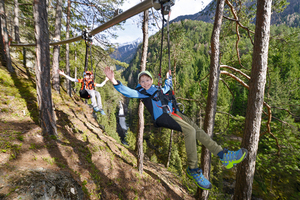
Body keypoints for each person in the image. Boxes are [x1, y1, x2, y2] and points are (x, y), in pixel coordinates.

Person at [104, 67, 248, 190]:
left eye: (147, 80)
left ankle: (223, 155)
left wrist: (169, 78)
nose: (145, 83)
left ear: (152, 80)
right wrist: (113, 81)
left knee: (197, 130)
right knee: (190, 131)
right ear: (140, 84)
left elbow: (168, 86)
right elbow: (128, 92)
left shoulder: (158, 88)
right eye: (142, 81)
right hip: (163, 117)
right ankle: (193, 170)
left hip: (174, 113)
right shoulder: (142, 92)